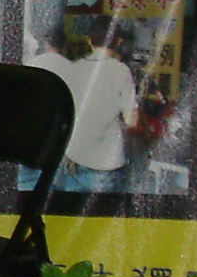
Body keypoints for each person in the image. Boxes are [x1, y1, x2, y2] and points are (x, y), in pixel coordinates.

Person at [57, 23, 138, 193]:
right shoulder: (121, 71)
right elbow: (131, 120)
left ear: (89, 41)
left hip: (74, 160)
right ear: (119, 41)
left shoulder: (74, 68)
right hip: (106, 163)